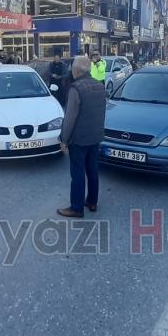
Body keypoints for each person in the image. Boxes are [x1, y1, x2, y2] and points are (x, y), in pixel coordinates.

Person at [57, 56, 107, 218]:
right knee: (92, 170)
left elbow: (70, 117)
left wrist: (63, 139)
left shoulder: (76, 88)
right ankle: (92, 201)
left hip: (78, 139)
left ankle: (76, 207)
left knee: (77, 173)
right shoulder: (100, 86)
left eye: (72, 67)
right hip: (95, 136)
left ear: (76, 70)